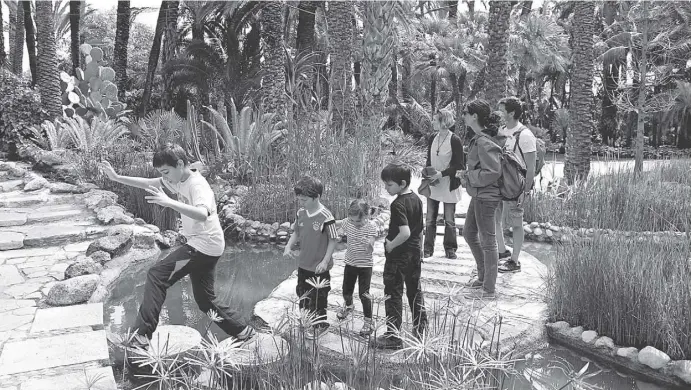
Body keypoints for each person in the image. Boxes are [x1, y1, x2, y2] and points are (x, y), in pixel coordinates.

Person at [99, 143, 255, 349]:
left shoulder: (197, 185)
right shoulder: (177, 178)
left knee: (157, 275)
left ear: (180, 164)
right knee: (205, 300)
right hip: (205, 244)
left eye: (166, 171)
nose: (165, 177)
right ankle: (243, 331)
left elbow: (202, 213)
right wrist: (117, 177)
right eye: (162, 173)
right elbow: (148, 182)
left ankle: (141, 337)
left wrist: (168, 202)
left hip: (204, 244)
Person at [373, 163, 427, 349]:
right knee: (414, 290)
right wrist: (419, 250)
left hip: (399, 256)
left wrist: (390, 244)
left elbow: (404, 232)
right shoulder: (417, 199)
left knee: (393, 293)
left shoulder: (398, 204)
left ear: (402, 183)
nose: (387, 189)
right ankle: (421, 327)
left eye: (389, 185)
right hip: (413, 253)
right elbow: (419, 229)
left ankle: (393, 336)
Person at [457, 100, 503, 300]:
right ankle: (483, 275)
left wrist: (469, 177)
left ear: (474, 116)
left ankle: (489, 286)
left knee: (488, 241)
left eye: (465, 112)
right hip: (478, 194)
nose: (463, 115)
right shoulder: (479, 139)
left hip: (487, 197)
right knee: (469, 232)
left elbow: (493, 172)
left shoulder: (484, 141)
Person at [283, 175, 339, 340]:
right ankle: (307, 321)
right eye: (299, 199)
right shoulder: (301, 213)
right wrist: (288, 246)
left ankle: (320, 325)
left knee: (319, 297)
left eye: (304, 200)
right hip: (304, 265)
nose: (301, 203)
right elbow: (296, 233)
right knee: (302, 293)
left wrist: (325, 261)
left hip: (319, 267)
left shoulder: (326, 216)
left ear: (317, 197)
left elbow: (333, 239)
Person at [495, 97, 537, 273]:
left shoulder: (525, 136)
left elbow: (531, 167)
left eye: (502, 110)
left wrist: (525, 192)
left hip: (515, 188)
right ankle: (502, 251)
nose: (498, 113)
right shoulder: (501, 131)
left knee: (517, 224)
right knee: (495, 220)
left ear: (511, 113)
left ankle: (515, 261)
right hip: (499, 185)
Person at [423, 109, 465, 259]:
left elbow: (459, 165)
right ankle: (427, 249)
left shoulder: (455, 140)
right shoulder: (432, 137)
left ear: (443, 122)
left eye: (435, 120)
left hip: (448, 184)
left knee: (449, 219)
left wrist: (441, 174)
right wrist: (427, 172)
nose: (432, 122)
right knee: (430, 219)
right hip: (434, 184)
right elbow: (429, 159)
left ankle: (450, 248)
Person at [336, 199, 378, 337]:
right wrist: (339, 234)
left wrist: (369, 244)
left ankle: (368, 320)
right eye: (353, 221)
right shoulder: (348, 222)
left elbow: (370, 250)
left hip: (365, 265)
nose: (355, 224)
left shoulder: (371, 227)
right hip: (350, 262)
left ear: (366, 216)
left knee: (363, 294)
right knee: (346, 290)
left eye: (358, 222)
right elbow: (341, 230)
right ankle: (349, 306)